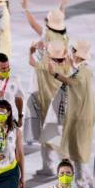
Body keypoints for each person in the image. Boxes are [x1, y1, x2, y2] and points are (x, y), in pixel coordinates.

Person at [46, 40, 95, 188]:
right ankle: (87, 181)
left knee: (77, 152)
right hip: (83, 116)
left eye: (73, 51)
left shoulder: (82, 72)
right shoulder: (85, 69)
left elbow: (70, 82)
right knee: (80, 151)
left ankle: (82, 184)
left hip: (79, 119)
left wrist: (54, 73)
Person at [26, 40, 70, 175]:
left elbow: (31, 62)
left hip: (47, 107)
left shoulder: (46, 65)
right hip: (61, 107)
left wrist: (30, 51)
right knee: (60, 137)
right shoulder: (67, 66)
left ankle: (49, 167)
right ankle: (67, 167)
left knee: (48, 137)